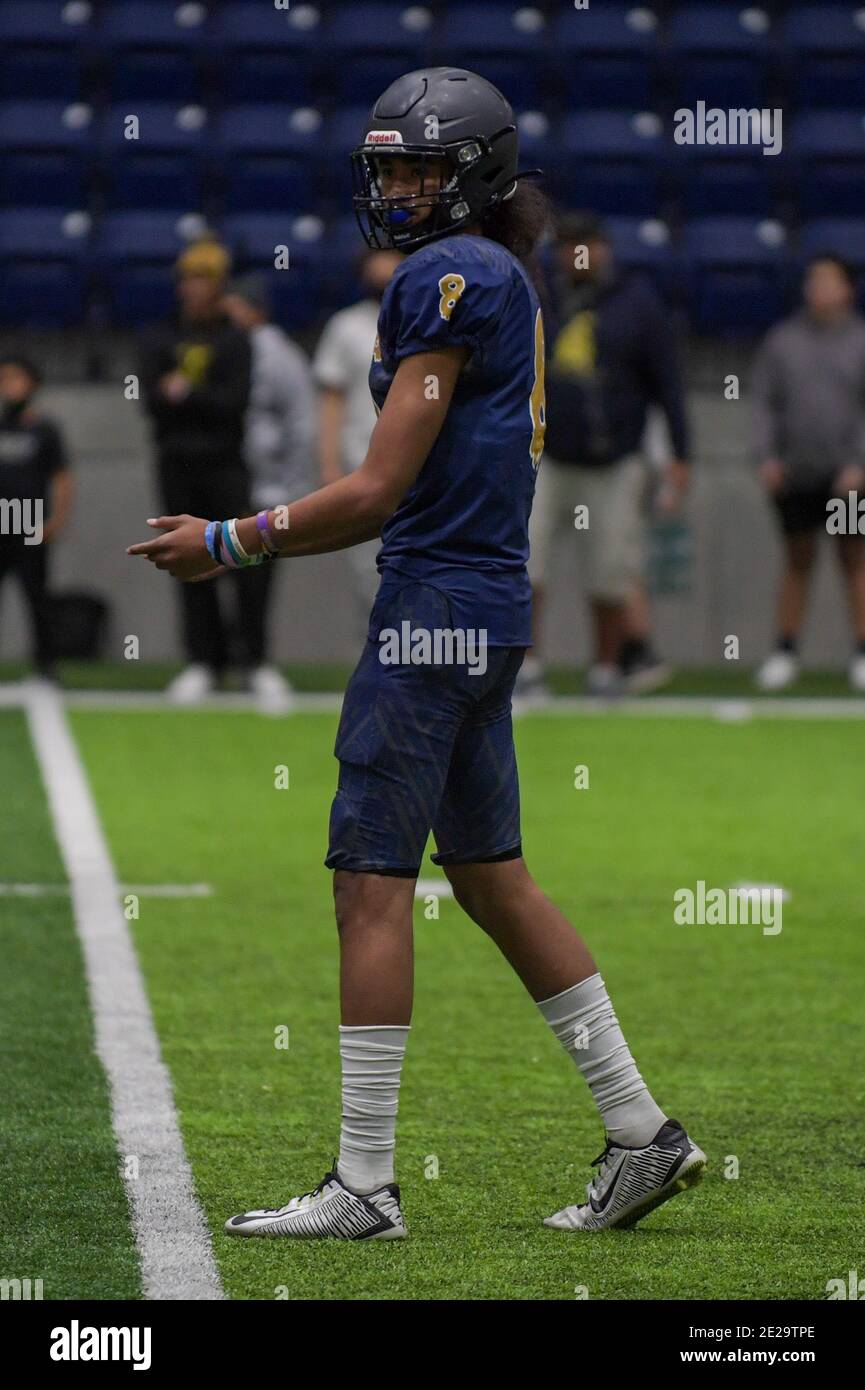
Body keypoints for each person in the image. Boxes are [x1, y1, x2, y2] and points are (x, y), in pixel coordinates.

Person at [129, 68, 706, 1238]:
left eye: (419, 170)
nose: (396, 190)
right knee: (492, 879)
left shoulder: (448, 276)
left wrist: (232, 539)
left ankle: (363, 1183)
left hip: (434, 606)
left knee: (369, 886)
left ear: (475, 174)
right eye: (386, 169)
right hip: (487, 607)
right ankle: (642, 1130)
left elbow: (381, 487)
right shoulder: (501, 274)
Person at [523, 212, 690, 698]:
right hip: (546, 458)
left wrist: (682, 456)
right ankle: (527, 667)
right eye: (568, 246)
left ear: (604, 248)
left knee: (611, 571)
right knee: (527, 566)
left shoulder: (638, 304)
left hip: (616, 460)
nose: (577, 255)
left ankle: (606, 668)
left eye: (586, 245)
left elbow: (669, 385)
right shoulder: (541, 300)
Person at [139, 236, 255, 704]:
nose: (193, 288)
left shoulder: (236, 339)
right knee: (186, 561)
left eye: (203, 279)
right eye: (188, 279)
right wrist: (192, 401)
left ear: (220, 285)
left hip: (226, 464)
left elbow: (235, 404)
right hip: (177, 466)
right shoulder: (159, 336)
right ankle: (204, 662)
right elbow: (150, 402)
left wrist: (186, 394)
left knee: (243, 558)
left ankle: (254, 662)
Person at [752, 254, 865, 692]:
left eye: (826, 280)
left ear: (846, 289)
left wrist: (859, 462)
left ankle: (860, 654)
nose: (816, 288)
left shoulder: (860, 341)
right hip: (795, 475)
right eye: (811, 280)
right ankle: (784, 652)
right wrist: (766, 456)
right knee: (797, 560)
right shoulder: (783, 341)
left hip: (847, 478)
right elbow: (763, 402)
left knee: (853, 560)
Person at [222, 273, 317, 711]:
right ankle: (213, 662)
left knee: (255, 580)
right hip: (223, 477)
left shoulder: (277, 354)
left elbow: (300, 423)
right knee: (209, 571)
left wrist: (289, 489)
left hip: (263, 486)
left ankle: (256, 663)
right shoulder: (222, 348)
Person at [312, 248, 403, 636]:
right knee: (369, 570)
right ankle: (380, 651)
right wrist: (329, 464)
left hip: (419, 468)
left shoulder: (429, 320)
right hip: (361, 466)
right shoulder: (346, 326)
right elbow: (331, 398)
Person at [0, 355, 73, 681]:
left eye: (15, 378)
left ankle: (46, 666)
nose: (9, 386)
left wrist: (56, 521)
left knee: (37, 596)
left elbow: (61, 477)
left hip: (30, 521)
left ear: (32, 383)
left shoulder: (45, 429)